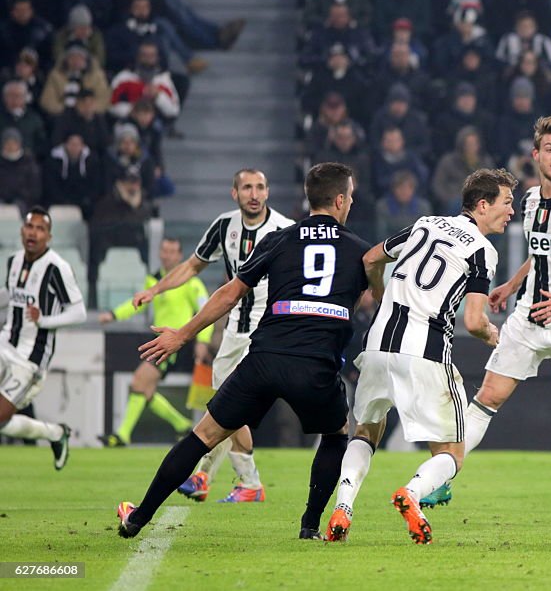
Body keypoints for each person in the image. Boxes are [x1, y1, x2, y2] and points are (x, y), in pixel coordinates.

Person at [117, 163, 371, 540]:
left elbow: (229, 293)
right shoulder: (360, 251)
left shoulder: (280, 239)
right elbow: (377, 299)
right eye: (349, 196)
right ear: (339, 200)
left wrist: (183, 335)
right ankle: (309, 526)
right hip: (315, 367)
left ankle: (138, 517)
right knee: (337, 434)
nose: (350, 202)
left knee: (203, 435)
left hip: (265, 358)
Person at [420, 115, 551, 523]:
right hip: (527, 319)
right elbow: (541, 253)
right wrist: (511, 285)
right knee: (488, 397)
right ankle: (446, 474)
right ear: (536, 154)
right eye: (550, 149)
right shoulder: (528, 200)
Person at [325, 168, 515, 544]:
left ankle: (344, 507)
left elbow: (369, 260)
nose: (511, 211)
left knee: (366, 430)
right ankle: (411, 494)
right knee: (453, 453)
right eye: (506, 203)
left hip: (378, 341)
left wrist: (380, 293)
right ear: (482, 205)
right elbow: (475, 321)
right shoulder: (482, 250)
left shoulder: (425, 224)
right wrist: (491, 333)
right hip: (425, 348)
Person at [132, 170, 292, 504]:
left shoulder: (284, 229)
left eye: (260, 187)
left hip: (269, 328)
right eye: (247, 187)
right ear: (234, 193)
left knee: (229, 404)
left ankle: (205, 475)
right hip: (235, 328)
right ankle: (249, 482)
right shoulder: (224, 226)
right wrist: (156, 289)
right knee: (225, 403)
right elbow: (192, 266)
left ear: (268, 192)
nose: (254, 193)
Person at [98, 238, 213, 447]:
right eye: (164, 250)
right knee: (145, 389)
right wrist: (114, 315)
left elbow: (207, 310)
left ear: (179, 256)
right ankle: (182, 425)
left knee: (139, 381)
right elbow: (139, 303)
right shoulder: (153, 281)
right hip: (157, 340)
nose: (167, 255)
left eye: (172, 251)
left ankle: (123, 435)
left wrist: (202, 342)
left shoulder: (191, 282)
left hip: (176, 342)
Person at [0, 208, 85, 468]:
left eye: (40, 228)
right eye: (29, 227)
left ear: (48, 236)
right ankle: (55, 434)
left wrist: (43, 320)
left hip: (30, 358)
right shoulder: (13, 261)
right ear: (22, 230)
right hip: (4, 344)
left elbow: (79, 312)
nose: (33, 233)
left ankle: (55, 433)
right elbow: (9, 294)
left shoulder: (57, 267)